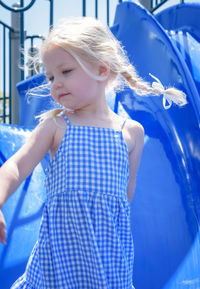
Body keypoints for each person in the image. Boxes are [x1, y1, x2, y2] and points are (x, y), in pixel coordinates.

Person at [0, 17, 187, 289]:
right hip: (57, 266)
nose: (54, 84)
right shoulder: (56, 126)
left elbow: (126, 195)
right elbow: (15, 167)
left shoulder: (131, 132)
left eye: (65, 71)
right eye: (50, 77)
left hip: (108, 265)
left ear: (101, 69)